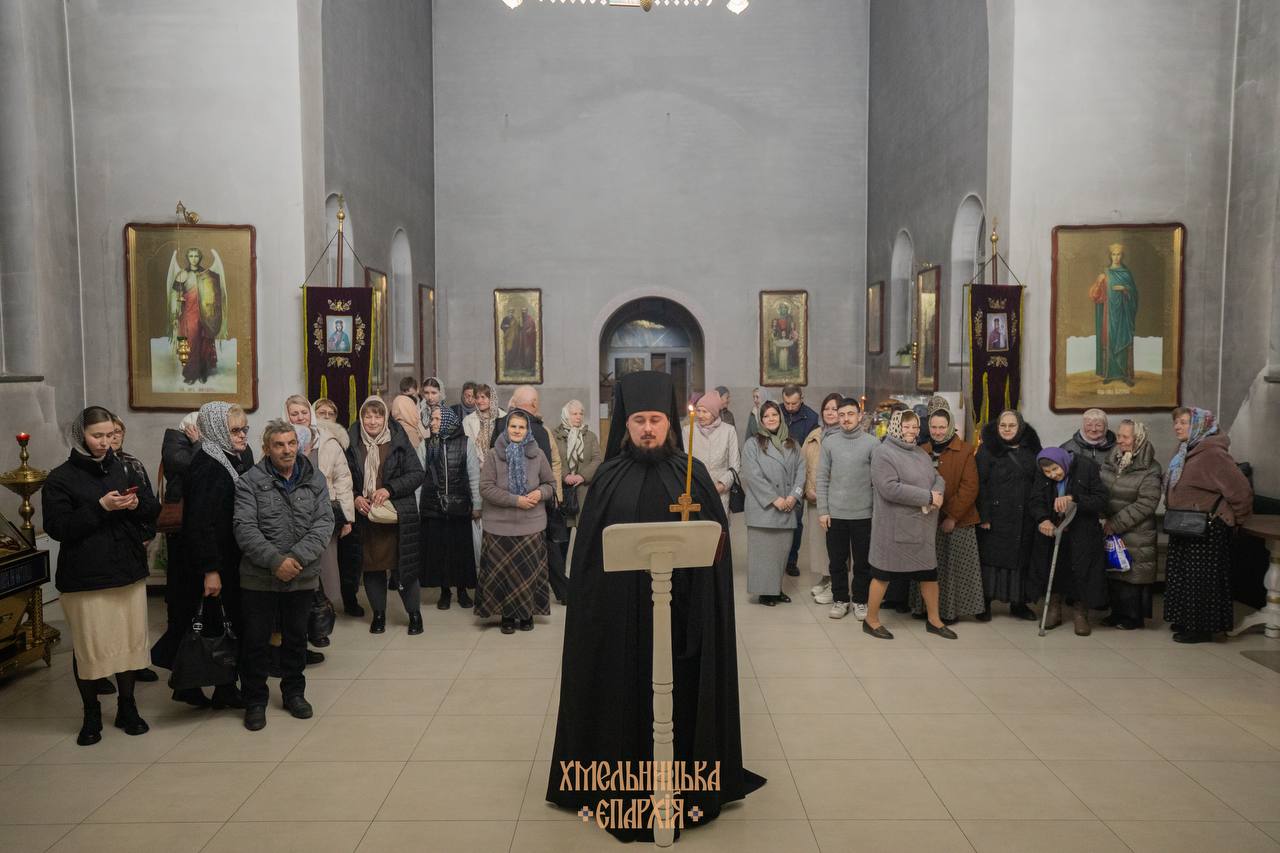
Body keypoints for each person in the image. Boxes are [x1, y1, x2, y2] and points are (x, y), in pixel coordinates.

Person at [546, 370, 765, 842]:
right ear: (626, 424)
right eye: (640, 420)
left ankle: (685, 782)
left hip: (682, 618)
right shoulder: (607, 479)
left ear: (670, 423)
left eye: (657, 420)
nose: (648, 429)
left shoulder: (694, 475)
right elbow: (589, 565)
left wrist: (701, 585)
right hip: (620, 620)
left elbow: (716, 552)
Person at [44, 406, 161, 745]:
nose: (105, 442)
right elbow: (58, 527)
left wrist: (135, 505)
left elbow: (152, 509)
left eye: (110, 435)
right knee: (90, 647)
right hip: (86, 576)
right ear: (80, 435)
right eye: (97, 436)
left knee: (128, 644)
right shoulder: (61, 477)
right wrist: (100, 507)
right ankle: (91, 714)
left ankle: (128, 707)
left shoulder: (124, 467)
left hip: (126, 571)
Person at [233, 420, 334, 731]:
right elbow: (244, 528)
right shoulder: (249, 482)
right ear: (267, 448)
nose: (287, 450)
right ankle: (255, 701)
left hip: (302, 575)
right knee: (256, 641)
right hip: (259, 578)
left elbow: (324, 523)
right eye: (279, 445)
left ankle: (294, 694)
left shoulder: (314, 479)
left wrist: (296, 558)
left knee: (296, 638)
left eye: (291, 443)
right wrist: (276, 561)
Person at [153, 402, 254, 708]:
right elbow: (200, 523)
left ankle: (218, 687)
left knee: (218, 623)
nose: (242, 435)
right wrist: (211, 570)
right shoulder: (209, 464)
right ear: (218, 430)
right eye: (235, 430)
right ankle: (204, 686)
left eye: (244, 429)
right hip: (211, 561)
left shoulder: (225, 457)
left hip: (224, 557)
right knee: (210, 625)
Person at [1162, 407, 1253, 643]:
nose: (1177, 427)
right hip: (1183, 524)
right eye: (1176, 422)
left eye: (1184, 422)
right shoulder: (1185, 450)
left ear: (1200, 425)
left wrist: (1238, 520)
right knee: (1183, 576)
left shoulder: (1213, 453)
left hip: (1207, 526)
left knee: (1201, 579)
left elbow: (1240, 490)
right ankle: (1186, 619)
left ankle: (1201, 628)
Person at [863, 411, 955, 640]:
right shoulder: (883, 452)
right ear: (896, 426)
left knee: (929, 575)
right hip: (893, 529)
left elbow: (938, 477)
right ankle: (871, 620)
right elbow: (889, 488)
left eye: (915, 426)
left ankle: (934, 620)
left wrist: (937, 493)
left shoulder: (920, 452)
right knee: (882, 574)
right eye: (906, 426)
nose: (912, 431)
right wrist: (928, 497)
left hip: (921, 529)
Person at [349, 396, 425, 635]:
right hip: (367, 517)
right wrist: (355, 497)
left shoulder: (398, 440)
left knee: (404, 569)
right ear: (361, 418)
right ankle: (379, 615)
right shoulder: (351, 443)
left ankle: (414, 615)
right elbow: (344, 479)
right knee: (373, 568)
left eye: (378, 416)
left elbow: (417, 474)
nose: (372, 421)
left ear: (385, 418)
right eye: (368, 416)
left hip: (397, 517)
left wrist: (389, 489)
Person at [475, 410, 555, 633]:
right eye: (513, 426)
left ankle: (527, 614)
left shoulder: (538, 454)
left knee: (527, 574)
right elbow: (485, 488)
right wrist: (515, 500)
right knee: (502, 576)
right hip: (499, 527)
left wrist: (540, 493)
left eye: (522, 427)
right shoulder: (493, 454)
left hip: (531, 526)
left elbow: (550, 484)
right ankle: (507, 616)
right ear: (506, 429)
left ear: (528, 430)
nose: (517, 431)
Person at [909, 398, 986, 624]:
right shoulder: (922, 450)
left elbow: (970, 487)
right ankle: (923, 607)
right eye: (934, 427)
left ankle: (949, 611)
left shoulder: (965, 451)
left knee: (953, 569)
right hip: (927, 520)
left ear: (950, 426)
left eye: (942, 427)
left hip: (958, 521)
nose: (937, 432)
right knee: (928, 566)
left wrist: (952, 516)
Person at [489, 386, 567, 603]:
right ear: (533, 404)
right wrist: (550, 495)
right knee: (545, 546)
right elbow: (550, 467)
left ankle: (511, 597)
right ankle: (559, 591)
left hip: (508, 502)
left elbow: (491, 462)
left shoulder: (500, 425)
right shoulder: (541, 430)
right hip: (534, 501)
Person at [1030, 447, 1110, 635]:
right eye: (1047, 472)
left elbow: (1101, 499)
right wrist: (1043, 519)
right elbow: (1035, 500)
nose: (1053, 475)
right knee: (1054, 568)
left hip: (1082, 531)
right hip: (1054, 531)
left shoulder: (1086, 467)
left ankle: (1080, 613)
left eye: (1055, 469)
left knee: (1081, 571)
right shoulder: (1042, 473)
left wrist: (1074, 499)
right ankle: (1054, 609)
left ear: (1063, 463)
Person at [106, 415, 161, 685]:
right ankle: (102, 670)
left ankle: (137, 663)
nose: (114, 437)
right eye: (108, 432)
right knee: (106, 615)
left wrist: (145, 535)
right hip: (103, 548)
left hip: (133, 544)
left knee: (134, 613)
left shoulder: (132, 464)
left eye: (118, 431)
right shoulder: (88, 468)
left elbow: (150, 504)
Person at [975, 409, 1042, 621]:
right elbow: (980, 484)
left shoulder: (1032, 448)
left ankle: (1018, 604)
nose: (1006, 429)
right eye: (1002, 425)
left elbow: (1040, 481)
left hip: (1024, 517)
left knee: (1020, 561)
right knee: (991, 561)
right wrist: (984, 516)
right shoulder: (987, 449)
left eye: (1011, 425)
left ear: (1020, 427)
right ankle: (984, 604)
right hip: (996, 516)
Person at [816, 397, 877, 620]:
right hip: (836, 514)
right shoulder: (830, 443)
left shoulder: (872, 443)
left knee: (862, 563)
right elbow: (822, 478)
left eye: (850, 414)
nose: (846, 419)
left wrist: (876, 513)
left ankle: (860, 601)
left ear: (859, 416)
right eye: (841, 415)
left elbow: (878, 481)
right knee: (837, 562)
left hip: (863, 514)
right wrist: (823, 510)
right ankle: (840, 599)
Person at [1100, 419, 1162, 629]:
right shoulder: (1111, 461)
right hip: (1110, 526)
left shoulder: (1150, 468)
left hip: (1136, 530)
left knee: (1133, 577)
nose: (1120, 440)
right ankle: (1116, 613)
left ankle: (1133, 617)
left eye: (1125, 437)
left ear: (1139, 439)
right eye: (1119, 436)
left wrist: (1115, 523)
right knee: (1114, 572)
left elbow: (1147, 503)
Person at [742, 400, 804, 606]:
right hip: (764, 508)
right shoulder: (752, 444)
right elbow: (752, 475)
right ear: (761, 420)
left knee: (780, 553)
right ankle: (764, 592)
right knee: (763, 555)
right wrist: (774, 499)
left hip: (787, 506)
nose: (771, 419)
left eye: (774, 415)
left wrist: (793, 496)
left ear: (781, 417)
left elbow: (801, 472)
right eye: (766, 416)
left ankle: (775, 589)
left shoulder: (793, 444)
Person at [421, 405, 476, 609]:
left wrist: (478, 504)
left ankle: (462, 591)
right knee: (440, 551)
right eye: (432, 419)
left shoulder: (465, 443)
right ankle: (445, 592)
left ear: (447, 421)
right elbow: (420, 477)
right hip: (434, 507)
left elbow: (474, 475)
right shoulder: (426, 444)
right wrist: (419, 506)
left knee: (460, 551)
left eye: (437, 419)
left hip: (459, 507)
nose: (432, 423)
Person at [314, 397, 363, 615]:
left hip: (343, 506)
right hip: (318, 508)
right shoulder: (306, 439)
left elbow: (347, 477)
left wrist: (348, 514)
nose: (326, 417)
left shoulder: (345, 441)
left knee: (347, 559)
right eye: (321, 413)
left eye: (330, 413)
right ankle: (321, 607)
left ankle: (349, 599)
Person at [802, 393, 842, 602]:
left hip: (835, 502)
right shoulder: (814, 434)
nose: (830, 412)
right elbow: (802, 465)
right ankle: (826, 578)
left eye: (835, 409)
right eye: (827, 408)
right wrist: (806, 490)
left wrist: (828, 495)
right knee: (818, 544)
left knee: (836, 545)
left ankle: (836, 583)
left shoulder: (846, 435)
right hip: (813, 499)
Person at [169, 247, 224, 384]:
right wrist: (175, 314)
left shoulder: (206, 275)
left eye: (196, 256)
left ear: (200, 258)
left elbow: (214, 296)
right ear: (187, 258)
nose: (194, 259)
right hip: (189, 314)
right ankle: (190, 374)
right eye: (191, 256)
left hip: (205, 315)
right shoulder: (182, 275)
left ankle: (202, 372)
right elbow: (175, 294)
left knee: (205, 342)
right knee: (191, 342)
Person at [780, 385, 819, 577]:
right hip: (777, 472)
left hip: (799, 473)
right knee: (777, 516)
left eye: (794, 403)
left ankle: (791, 560)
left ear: (801, 399)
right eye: (786, 403)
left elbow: (810, 449)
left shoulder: (811, 417)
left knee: (795, 518)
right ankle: (776, 558)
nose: (789, 407)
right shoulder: (777, 412)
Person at [551, 399, 603, 543]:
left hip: (584, 491)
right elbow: (552, 459)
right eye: (574, 414)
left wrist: (582, 476)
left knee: (586, 538)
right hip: (563, 492)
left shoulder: (590, 436)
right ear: (566, 415)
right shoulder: (555, 435)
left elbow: (597, 459)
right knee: (562, 540)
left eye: (581, 414)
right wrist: (565, 475)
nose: (579, 417)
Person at [685, 390, 740, 514]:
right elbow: (685, 463)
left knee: (719, 525)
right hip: (696, 492)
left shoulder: (728, 431)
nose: (700, 415)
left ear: (714, 413)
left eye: (705, 412)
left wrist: (721, 485)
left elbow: (735, 465)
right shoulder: (688, 431)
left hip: (720, 493)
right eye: (698, 410)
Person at [1091, 242, 1138, 386]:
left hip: (1123, 315)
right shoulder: (1105, 273)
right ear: (1110, 256)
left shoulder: (1126, 273)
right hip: (1108, 315)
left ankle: (1124, 375)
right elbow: (1095, 296)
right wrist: (1099, 282)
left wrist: (1125, 288)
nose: (1116, 257)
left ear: (1122, 256)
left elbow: (1135, 295)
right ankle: (1109, 375)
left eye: (1119, 254)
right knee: (1110, 341)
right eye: (1114, 254)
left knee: (1123, 341)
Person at [462, 384, 505, 466]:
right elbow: (468, 447)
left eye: (483, 397)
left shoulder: (504, 417)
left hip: (500, 464)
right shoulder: (468, 420)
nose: (479, 401)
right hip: (477, 465)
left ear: (491, 398)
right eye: (477, 397)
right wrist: (480, 464)